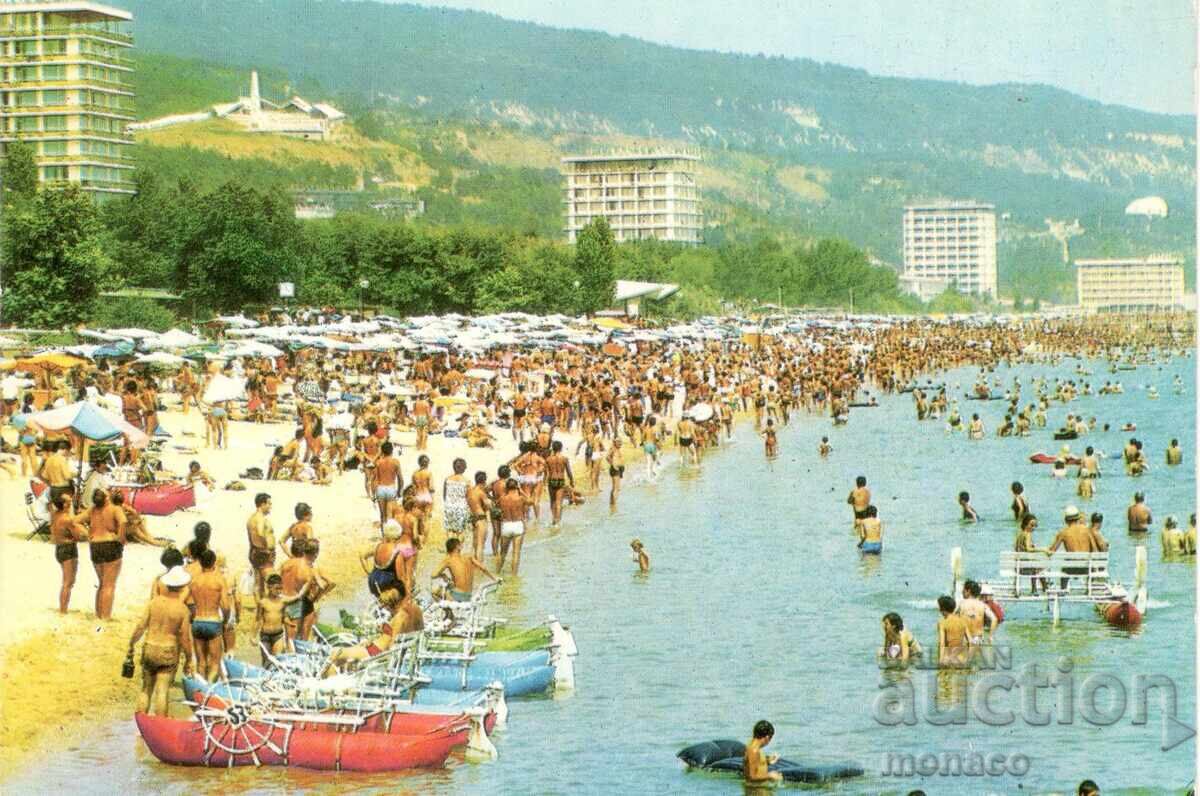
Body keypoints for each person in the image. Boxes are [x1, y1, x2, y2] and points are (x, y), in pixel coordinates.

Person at [127, 565, 194, 716]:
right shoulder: (182, 609)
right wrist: (189, 658)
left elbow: (140, 626)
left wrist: (132, 643)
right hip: (168, 651)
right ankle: (160, 725)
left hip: (150, 646)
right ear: (182, 586)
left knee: (146, 689)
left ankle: (141, 725)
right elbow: (185, 637)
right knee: (162, 691)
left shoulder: (154, 603)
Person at [187, 549, 230, 683]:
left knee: (201, 662)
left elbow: (189, 602)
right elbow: (226, 606)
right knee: (215, 663)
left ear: (200, 562)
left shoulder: (194, 581)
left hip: (198, 621)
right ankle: (209, 689)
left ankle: (201, 689)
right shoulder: (219, 580)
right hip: (213, 621)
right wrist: (226, 621)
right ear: (214, 562)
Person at [88, 489, 126, 619]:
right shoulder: (115, 508)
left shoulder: (92, 510)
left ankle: (99, 614)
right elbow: (123, 522)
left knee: (102, 583)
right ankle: (106, 617)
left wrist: (87, 534)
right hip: (110, 544)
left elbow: (75, 520)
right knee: (109, 585)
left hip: (95, 545)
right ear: (106, 498)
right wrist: (121, 538)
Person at [49, 494, 88, 613]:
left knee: (67, 582)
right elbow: (79, 536)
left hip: (59, 548)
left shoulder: (55, 515)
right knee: (68, 582)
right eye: (68, 501)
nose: (70, 502)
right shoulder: (67, 519)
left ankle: (63, 608)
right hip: (69, 549)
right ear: (64, 504)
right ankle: (63, 610)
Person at [256, 573, 305, 665]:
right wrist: (252, 635)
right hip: (265, 635)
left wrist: (290, 623)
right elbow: (258, 620)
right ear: (269, 587)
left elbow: (284, 617)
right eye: (277, 588)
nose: (279, 591)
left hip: (278, 635)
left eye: (281, 588)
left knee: (278, 660)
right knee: (267, 661)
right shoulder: (263, 603)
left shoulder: (282, 601)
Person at [432, 537, 499, 602]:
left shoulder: (448, 560)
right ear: (457, 547)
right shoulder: (469, 556)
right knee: (450, 585)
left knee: (434, 592)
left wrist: (443, 575)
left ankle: (448, 613)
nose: (462, 545)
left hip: (456, 596)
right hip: (468, 595)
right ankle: (449, 612)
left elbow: (433, 575)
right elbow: (483, 568)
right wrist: (494, 578)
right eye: (460, 544)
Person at [497, 476, 534, 575]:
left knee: (503, 553)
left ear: (506, 487)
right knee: (516, 553)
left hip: (506, 525)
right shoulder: (521, 498)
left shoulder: (502, 499)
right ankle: (514, 576)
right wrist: (521, 491)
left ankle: (497, 573)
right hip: (518, 525)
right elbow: (531, 501)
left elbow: (497, 507)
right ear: (517, 487)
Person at [246, 492, 276, 599]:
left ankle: (260, 609)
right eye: (269, 504)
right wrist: (266, 549)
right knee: (272, 582)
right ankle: (269, 609)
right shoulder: (260, 518)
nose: (270, 507)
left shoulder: (251, 518)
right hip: (263, 553)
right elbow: (259, 533)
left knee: (259, 583)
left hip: (255, 551)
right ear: (262, 504)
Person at [545, 441, 575, 526]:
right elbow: (569, 471)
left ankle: (554, 519)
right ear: (561, 448)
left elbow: (546, 473)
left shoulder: (548, 459)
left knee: (552, 501)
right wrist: (571, 480)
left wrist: (544, 483)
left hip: (551, 480)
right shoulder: (564, 458)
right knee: (559, 502)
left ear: (553, 448)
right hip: (560, 480)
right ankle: (558, 522)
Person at [743, 720, 783, 784]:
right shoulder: (754, 750)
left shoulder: (752, 747)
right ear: (767, 737)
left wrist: (768, 761)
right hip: (755, 791)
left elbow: (754, 764)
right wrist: (770, 775)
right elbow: (752, 777)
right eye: (770, 738)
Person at [936, 595, 971, 667]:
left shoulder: (942, 623)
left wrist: (940, 661)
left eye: (939, 607)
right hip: (961, 659)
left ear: (943, 609)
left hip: (948, 658)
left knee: (943, 677)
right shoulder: (963, 621)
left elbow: (942, 644)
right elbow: (970, 641)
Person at [374, 441, 401, 528]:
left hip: (380, 488)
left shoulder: (378, 462)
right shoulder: (395, 462)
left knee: (382, 516)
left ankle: (383, 537)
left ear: (382, 451)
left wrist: (374, 493)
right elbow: (400, 479)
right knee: (390, 516)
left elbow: (375, 479)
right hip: (391, 488)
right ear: (392, 450)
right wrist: (400, 491)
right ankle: (389, 537)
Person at [442, 457, 471, 538]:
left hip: (449, 506)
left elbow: (444, 495)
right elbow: (468, 498)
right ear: (464, 468)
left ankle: (449, 548)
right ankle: (457, 549)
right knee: (460, 531)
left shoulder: (447, 479)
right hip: (461, 507)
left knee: (449, 530)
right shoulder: (467, 481)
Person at [467, 470, 492, 558]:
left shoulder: (470, 491)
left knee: (475, 545)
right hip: (481, 518)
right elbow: (488, 506)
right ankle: (479, 567)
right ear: (484, 481)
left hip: (473, 518)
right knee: (481, 545)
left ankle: (474, 564)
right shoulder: (481, 493)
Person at [606, 438, 625, 509]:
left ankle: (612, 503)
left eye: (621, 442)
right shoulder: (613, 449)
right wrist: (613, 464)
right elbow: (607, 457)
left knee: (616, 488)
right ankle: (614, 505)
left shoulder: (617, 449)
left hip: (619, 469)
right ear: (615, 442)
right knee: (616, 488)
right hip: (615, 469)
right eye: (618, 442)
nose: (620, 443)